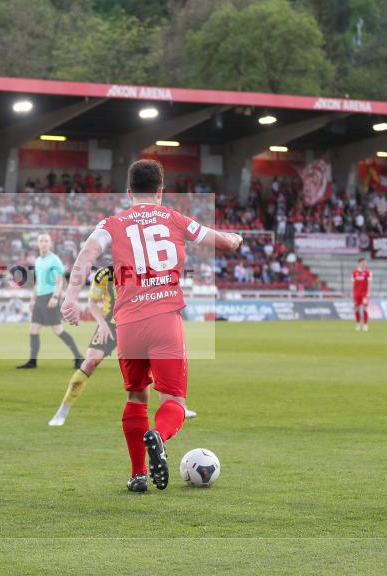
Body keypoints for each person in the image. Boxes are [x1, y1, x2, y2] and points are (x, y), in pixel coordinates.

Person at [60, 159, 242, 493]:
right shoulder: (174, 218)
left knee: (136, 396)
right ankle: (159, 435)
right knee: (175, 400)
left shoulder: (111, 223)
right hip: (165, 319)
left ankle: (138, 474)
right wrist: (235, 237)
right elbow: (225, 243)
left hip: (128, 323)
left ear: (129, 192)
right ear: (160, 191)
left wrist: (71, 296)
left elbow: (86, 255)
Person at [48, 265, 198, 426]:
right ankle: (62, 412)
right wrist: (102, 324)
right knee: (90, 362)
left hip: (137, 324)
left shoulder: (141, 269)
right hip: (110, 325)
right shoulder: (104, 274)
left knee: (159, 362)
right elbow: (92, 303)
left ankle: (179, 406)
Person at [17, 233, 83, 370]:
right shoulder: (38, 261)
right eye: (41, 241)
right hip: (39, 299)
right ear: (37, 243)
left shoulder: (54, 260)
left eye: (46, 241)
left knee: (58, 330)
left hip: (50, 297)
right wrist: (32, 299)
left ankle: (79, 357)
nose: (43, 243)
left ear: (50, 243)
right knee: (33, 330)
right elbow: (37, 282)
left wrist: (55, 297)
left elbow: (59, 281)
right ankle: (32, 362)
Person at [351, 257, 372, 331]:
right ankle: (358, 324)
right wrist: (352, 292)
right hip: (356, 293)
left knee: (364, 308)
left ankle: (365, 325)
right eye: (363, 263)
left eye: (365, 263)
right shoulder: (354, 273)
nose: (364, 264)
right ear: (359, 263)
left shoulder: (368, 272)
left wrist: (369, 292)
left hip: (364, 293)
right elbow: (353, 284)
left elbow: (369, 283)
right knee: (356, 309)